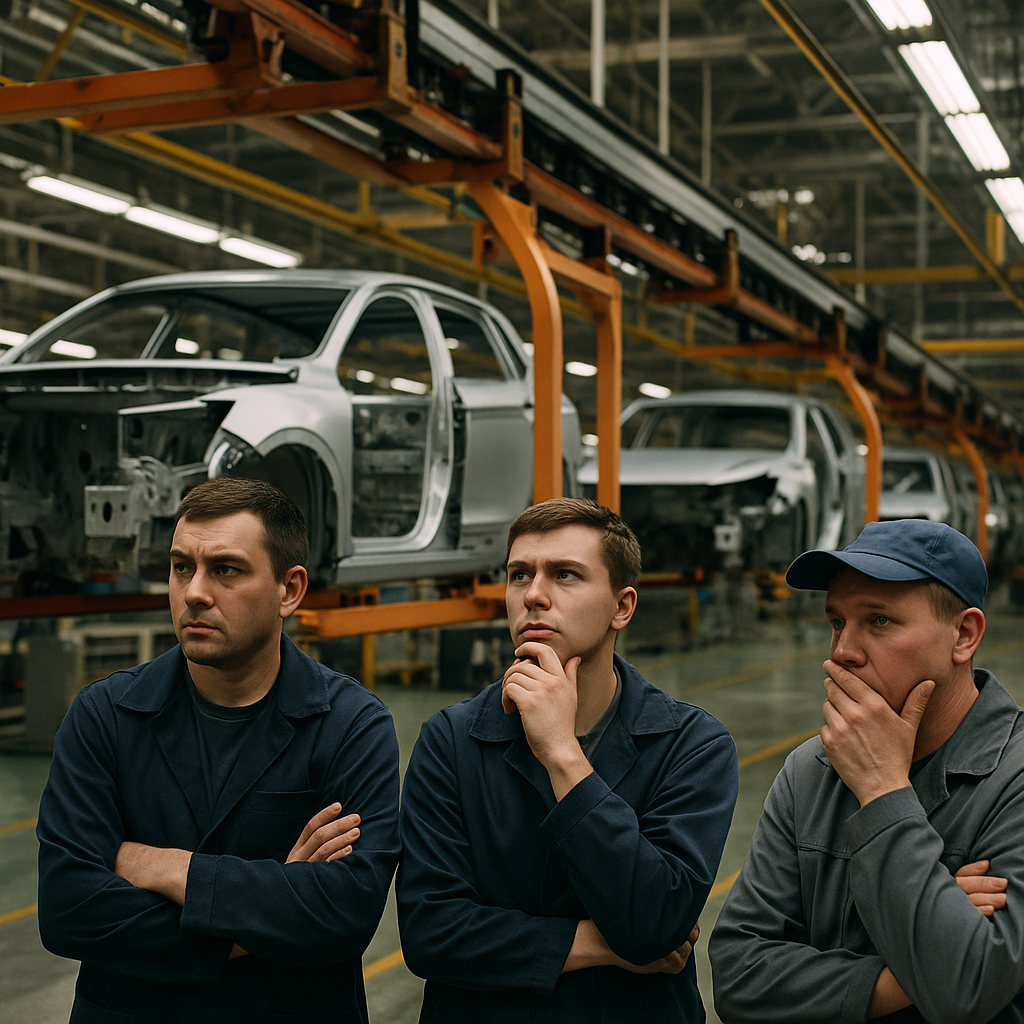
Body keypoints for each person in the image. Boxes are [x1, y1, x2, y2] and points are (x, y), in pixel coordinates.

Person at [36, 477, 401, 1023]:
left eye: (225, 570)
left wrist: (169, 867)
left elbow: (342, 915)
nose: (194, 592)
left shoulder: (351, 725)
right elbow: (69, 909)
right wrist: (273, 899)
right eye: (182, 567)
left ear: (289, 590)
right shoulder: (105, 716)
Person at [397, 497, 739, 1023]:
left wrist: (563, 755)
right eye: (519, 574)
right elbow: (431, 933)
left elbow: (655, 920)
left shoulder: (691, 744)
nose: (534, 595)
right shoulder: (452, 739)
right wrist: (597, 944)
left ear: (622, 607)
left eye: (565, 575)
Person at [709, 518, 1024, 1023]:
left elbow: (967, 990)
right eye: (837, 622)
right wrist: (917, 960)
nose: (843, 652)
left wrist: (882, 790)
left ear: (964, 635)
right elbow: (738, 977)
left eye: (879, 621)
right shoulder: (810, 771)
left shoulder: (1013, 779)